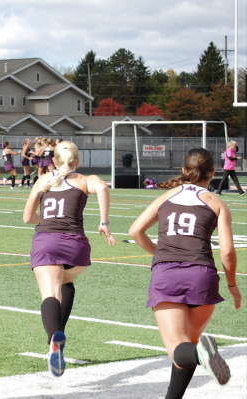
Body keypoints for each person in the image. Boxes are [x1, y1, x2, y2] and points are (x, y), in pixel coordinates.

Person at [129, 148, 241, 398]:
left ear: (183, 170)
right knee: (187, 346)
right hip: (202, 276)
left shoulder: (168, 196)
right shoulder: (217, 203)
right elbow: (227, 254)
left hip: (167, 274)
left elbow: (135, 230)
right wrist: (233, 286)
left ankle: (201, 354)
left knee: (180, 350)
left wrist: (158, 253)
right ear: (213, 173)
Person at [23, 140, 116, 377]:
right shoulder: (85, 180)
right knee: (66, 284)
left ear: (53, 160)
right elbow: (103, 188)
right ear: (78, 161)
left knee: (51, 293)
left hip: (47, 242)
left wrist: (46, 219)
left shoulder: (43, 180)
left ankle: (54, 339)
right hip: (77, 247)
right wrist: (104, 222)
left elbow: (27, 218)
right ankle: (59, 335)